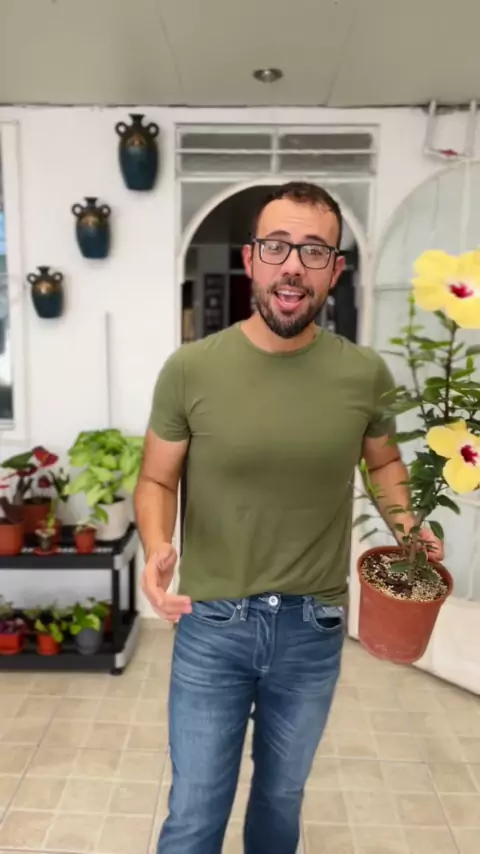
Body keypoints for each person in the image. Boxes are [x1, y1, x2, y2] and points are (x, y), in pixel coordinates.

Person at [135, 182, 443, 854]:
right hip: (213, 626)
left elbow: (385, 464)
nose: (293, 265)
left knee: (281, 801)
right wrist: (158, 545)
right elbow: (157, 477)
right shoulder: (190, 369)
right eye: (277, 247)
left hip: (313, 627)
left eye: (314, 250)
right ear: (251, 259)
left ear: (336, 270)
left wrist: (410, 528)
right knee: (195, 813)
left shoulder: (364, 374)